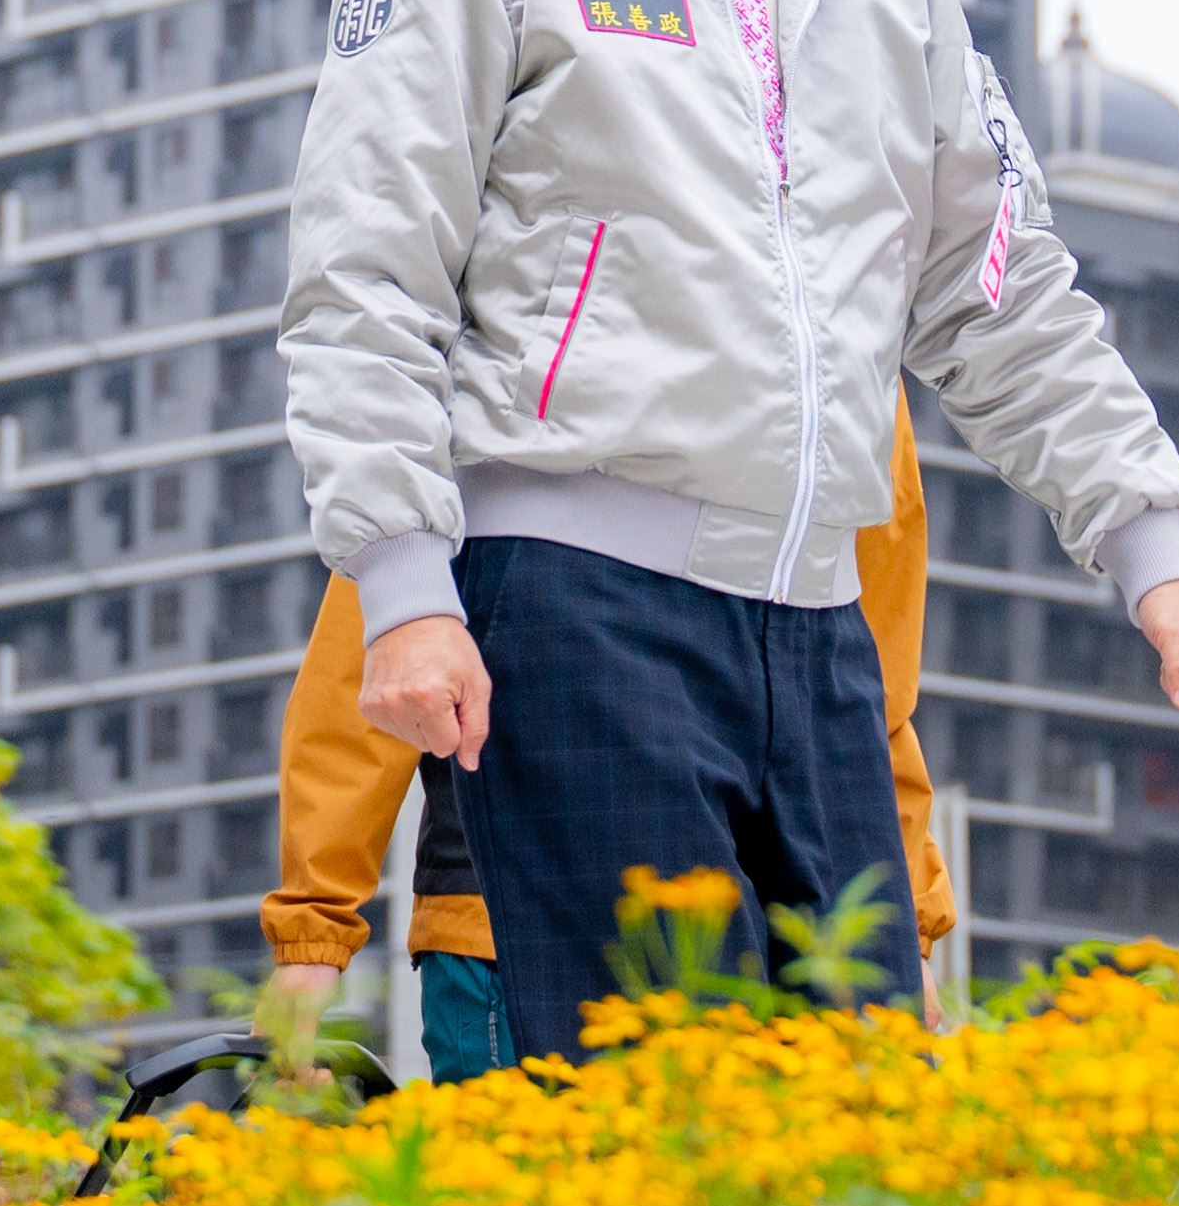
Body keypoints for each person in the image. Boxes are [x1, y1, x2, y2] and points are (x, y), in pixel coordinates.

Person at [286, 0, 1179, 1062]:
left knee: (855, 1119)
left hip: (817, 623)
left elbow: (996, 283)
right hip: (574, 595)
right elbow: (366, 276)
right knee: (655, 1110)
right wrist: (402, 589)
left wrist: (1149, 544)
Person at [265, 405, 960, 1071]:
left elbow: (873, 682)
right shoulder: (521, 343)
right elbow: (383, 647)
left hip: (791, 919)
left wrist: (903, 929)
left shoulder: (846, 357)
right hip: (520, 903)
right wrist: (313, 936)